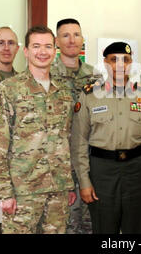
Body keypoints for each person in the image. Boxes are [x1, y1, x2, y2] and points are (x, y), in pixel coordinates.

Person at [0, 26, 75, 234]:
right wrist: (4, 193)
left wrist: (70, 184)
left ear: (55, 50)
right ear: (26, 51)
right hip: (22, 192)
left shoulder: (64, 92)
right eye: (36, 46)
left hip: (58, 189)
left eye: (47, 46)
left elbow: (67, 139)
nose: (42, 52)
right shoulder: (8, 89)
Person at [71, 42, 141, 233]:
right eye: (114, 60)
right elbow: (79, 140)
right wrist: (85, 181)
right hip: (102, 172)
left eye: (125, 60)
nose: (120, 65)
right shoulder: (90, 95)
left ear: (131, 64)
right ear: (105, 63)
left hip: (137, 171)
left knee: (137, 228)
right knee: (105, 228)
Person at [51, 18, 100, 234]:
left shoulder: (95, 76)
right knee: (64, 225)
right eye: (65, 35)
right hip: (57, 165)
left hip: (90, 162)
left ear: (82, 40)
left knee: (92, 224)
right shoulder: (46, 73)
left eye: (76, 35)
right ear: (56, 41)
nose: (72, 40)